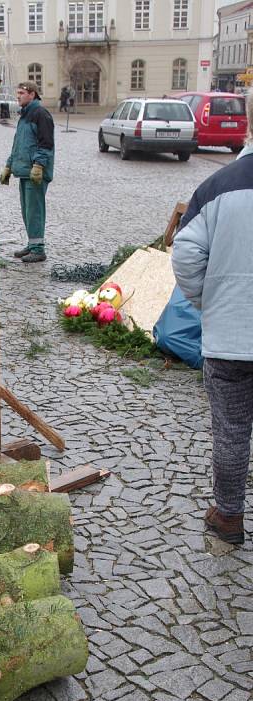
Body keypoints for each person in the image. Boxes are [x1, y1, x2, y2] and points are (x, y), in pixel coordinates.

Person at [171, 89, 253, 546]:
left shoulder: (219, 185)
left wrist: (208, 301)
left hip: (231, 336)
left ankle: (228, 516)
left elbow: (184, 252)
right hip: (230, 331)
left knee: (232, 429)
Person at [0, 81, 54, 264]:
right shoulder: (25, 115)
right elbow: (18, 145)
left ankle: (38, 249)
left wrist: (39, 165)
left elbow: (46, 143)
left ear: (32, 94)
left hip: (35, 172)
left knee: (35, 211)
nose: (18, 96)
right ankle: (32, 245)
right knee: (27, 210)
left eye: (22, 93)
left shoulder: (40, 114)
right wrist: (9, 165)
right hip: (25, 171)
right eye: (18, 93)